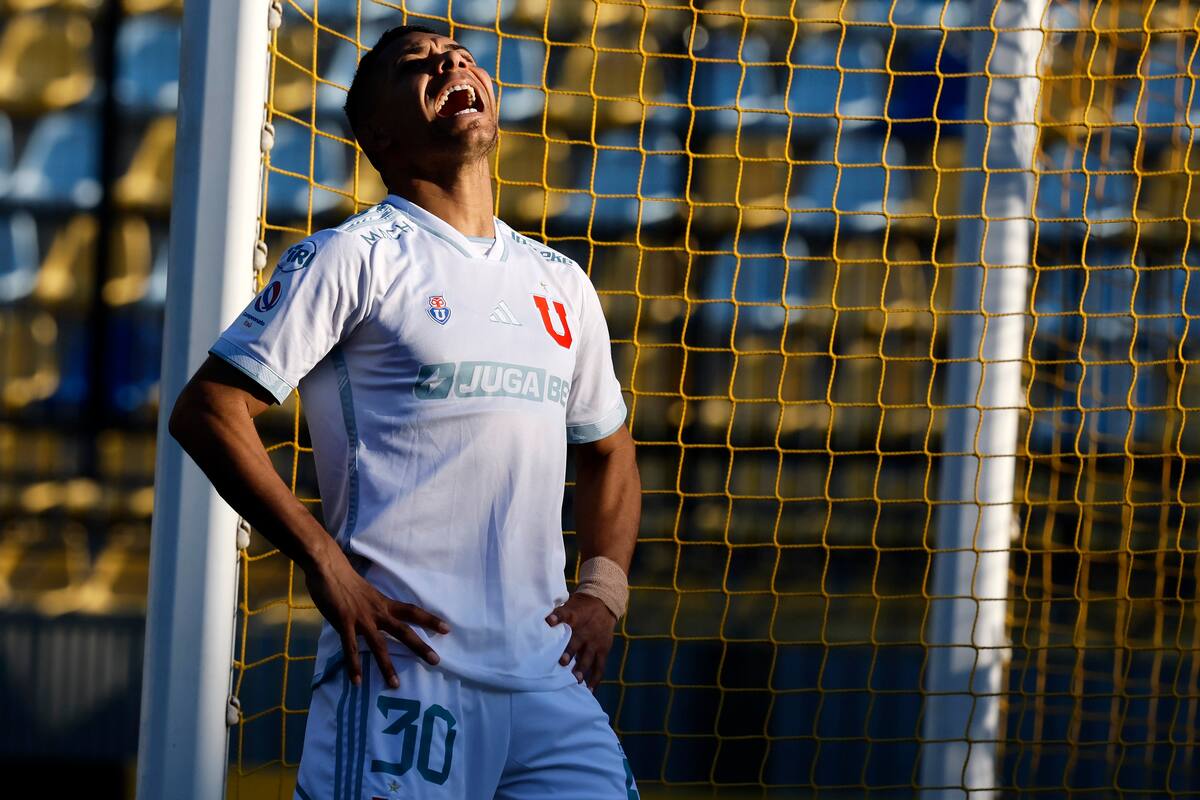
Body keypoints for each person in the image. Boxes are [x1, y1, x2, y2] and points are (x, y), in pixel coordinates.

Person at [169, 23, 641, 799]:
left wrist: (603, 592)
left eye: (456, 53)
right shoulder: (351, 257)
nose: (451, 61)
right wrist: (325, 562)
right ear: (379, 133)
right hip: (405, 675)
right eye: (414, 65)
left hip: (549, 677)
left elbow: (609, 450)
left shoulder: (562, 281)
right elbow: (208, 408)